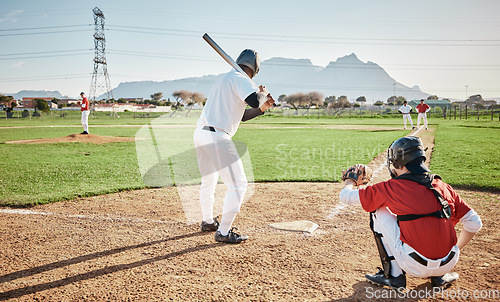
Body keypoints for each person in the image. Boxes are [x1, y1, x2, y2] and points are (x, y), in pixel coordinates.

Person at [339, 136, 482, 289]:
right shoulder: (442, 186)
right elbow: (475, 223)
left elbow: (345, 197)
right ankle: (439, 276)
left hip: (413, 264)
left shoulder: (392, 187)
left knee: (377, 207)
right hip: (449, 262)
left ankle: (394, 276)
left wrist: (351, 181)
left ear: (399, 163)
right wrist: (455, 250)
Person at [194, 49, 275, 244]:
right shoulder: (241, 79)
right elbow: (254, 100)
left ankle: (207, 221)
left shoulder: (226, 79)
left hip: (201, 133)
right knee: (239, 184)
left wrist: (262, 109)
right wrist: (262, 94)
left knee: (209, 180)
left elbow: (242, 115)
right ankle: (223, 232)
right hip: (217, 137)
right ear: (255, 69)